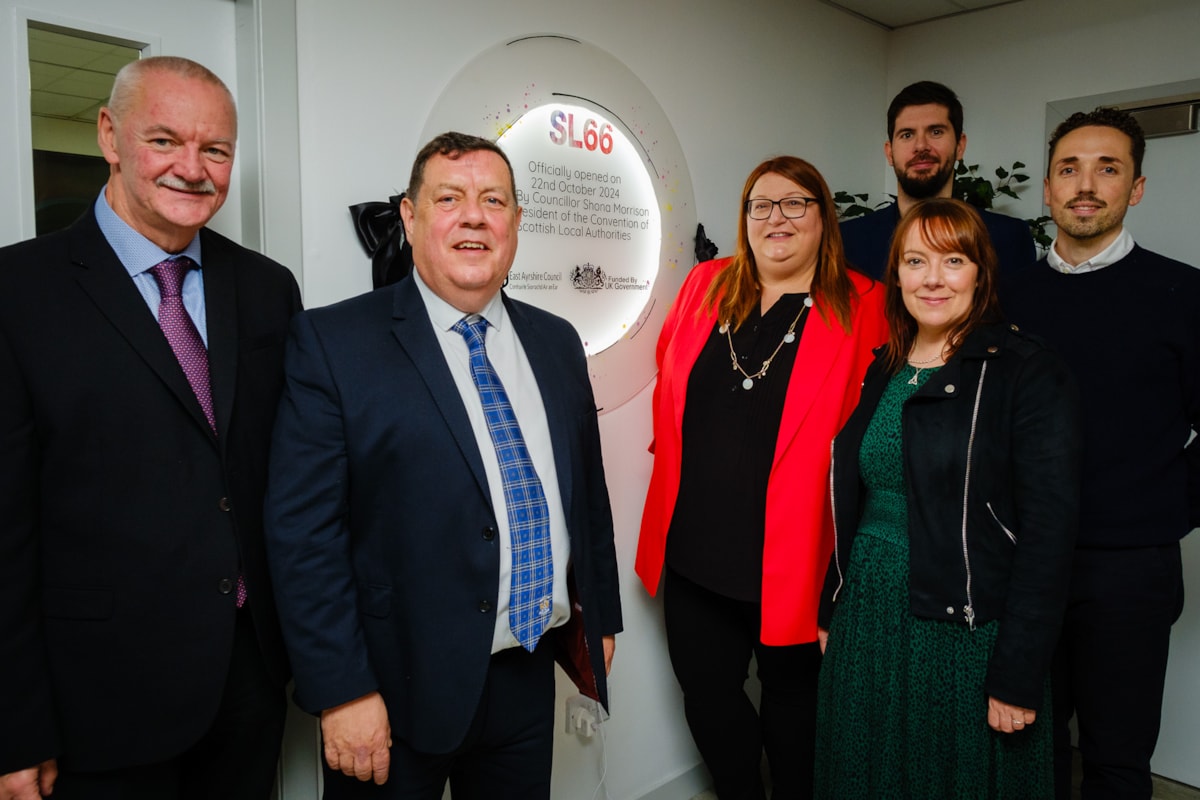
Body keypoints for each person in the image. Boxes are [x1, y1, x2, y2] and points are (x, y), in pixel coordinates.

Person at [264, 131, 622, 799]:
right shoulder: (334, 343)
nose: (474, 216)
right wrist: (343, 691)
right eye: (449, 198)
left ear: (516, 221)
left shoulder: (556, 341)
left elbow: (586, 497)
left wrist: (599, 619)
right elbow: (302, 539)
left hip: (524, 674)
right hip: (392, 686)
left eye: (494, 200)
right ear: (409, 216)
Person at [0, 56, 301, 799]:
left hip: (247, 684)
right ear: (109, 134)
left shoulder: (267, 290)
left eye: (216, 149)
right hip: (95, 706)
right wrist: (15, 726)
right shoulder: (16, 293)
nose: (192, 169)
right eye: (164, 140)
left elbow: (283, 479)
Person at [635, 156, 887, 799]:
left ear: (823, 218)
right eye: (760, 205)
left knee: (794, 705)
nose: (777, 218)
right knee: (708, 695)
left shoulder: (865, 305)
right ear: (744, 219)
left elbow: (881, 433)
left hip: (799, 552)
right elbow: (670, 381)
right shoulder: (706, 285)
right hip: (694, 549)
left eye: (795, 203)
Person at [815, 198, 1080, 799]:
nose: (932, 278)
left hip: (963, 630)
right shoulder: (884, 365)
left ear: (981, 273)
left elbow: (1048, 537)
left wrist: (1019, 670)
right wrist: (833, 603)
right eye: (915, 261)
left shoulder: (1025, 370)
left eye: (952, 260)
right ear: (897, 274)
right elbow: (853, 499)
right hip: (868, 612)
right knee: (866, 772)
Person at [1002, 107, 1200, 800]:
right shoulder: (1006, 296)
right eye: (1069, 168)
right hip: (1019, 561)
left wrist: (1167, 505)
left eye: (1107, 168)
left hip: (1128, 568)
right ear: (1049, 190)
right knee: (1023, 746)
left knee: (1116, 762)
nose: (1086, 185)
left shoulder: (1184, 292)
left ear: (1136, 188)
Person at [840, 80, 1035, 280]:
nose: (921, 146)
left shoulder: (1009, 238)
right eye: (907, 135)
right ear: (889, 153)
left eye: (936, 132)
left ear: (960, 146)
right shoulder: (847, 241)